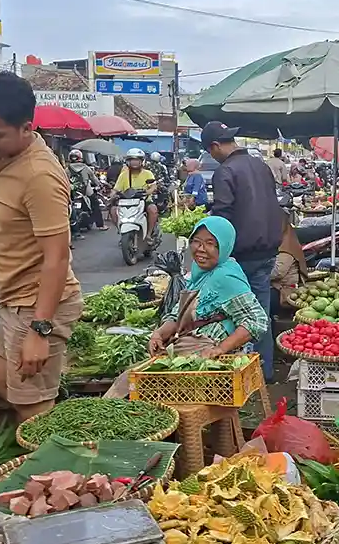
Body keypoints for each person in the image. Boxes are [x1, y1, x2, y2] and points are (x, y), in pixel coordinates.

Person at [0, 71, 82, 421]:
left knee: (33, 409)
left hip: (37, 304)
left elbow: (56, 258)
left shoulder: (39, 176)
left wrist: (40, 331)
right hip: (13, 299)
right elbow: (8, 227)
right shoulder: (3, 159)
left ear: (26, 128)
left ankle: (64, 466)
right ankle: (55, 424)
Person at [203, 121, 283, 380]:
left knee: (232, 315)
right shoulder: (261, 166)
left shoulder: (225, 172)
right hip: (268, 250)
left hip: (242, 254)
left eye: (210, 151)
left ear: (215, 146)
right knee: (260, 312)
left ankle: (236, 375)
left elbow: (223, 217)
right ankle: (264, 371)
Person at [147, 217, 269, 359]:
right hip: (186, 351)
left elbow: (256, 321)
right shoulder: (199, 274)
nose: (200, 249)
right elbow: (178, 316)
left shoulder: (225, 277)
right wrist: (159, 335)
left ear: (224, 246)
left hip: (209, 360)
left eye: (210, 243)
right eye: (196, 242)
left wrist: (220, 349)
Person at [111, 148, 160, 235]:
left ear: (141, 161)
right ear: (128, 161)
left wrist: (148, 192)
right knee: (114, 210)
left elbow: (153, 186)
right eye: (132, 160)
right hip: (126, 202)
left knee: (153, 210)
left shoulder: (148, 173)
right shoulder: (123, 175)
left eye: (137, 160)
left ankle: (149, 234)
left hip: (144, 200)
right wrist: (112, 195)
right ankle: (121, 231)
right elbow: (116, 189)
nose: (134, 163)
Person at [65, 148, 103, 228]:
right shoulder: (85, 167)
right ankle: (100, 225)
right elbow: (93, 178)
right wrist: (99, 185)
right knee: (95, 204)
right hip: (86, 190)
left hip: (73, 191)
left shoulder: (67, 169)